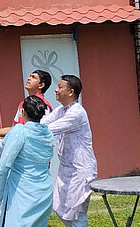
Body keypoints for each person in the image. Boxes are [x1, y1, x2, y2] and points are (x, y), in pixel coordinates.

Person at [0, 96, 54, 227]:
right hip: (44, 188)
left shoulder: (20, 131)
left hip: (21, 188)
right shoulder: (48, 133)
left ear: (23, 112)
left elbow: (2, 151)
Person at [41, 75, 97, 227]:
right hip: (66, 169)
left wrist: (25, 131)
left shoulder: (77, 113)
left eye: (60, 87)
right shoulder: (61, 110)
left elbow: (47, 129)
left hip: (80, 170)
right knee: (61, 208)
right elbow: (42, 123)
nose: (55, 90)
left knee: (76, 213)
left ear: (71, 92)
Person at [0, 70, 52, 137]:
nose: (28, 78)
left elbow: (43, 130)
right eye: (30, 76)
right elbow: (14, 129)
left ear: (41, 85)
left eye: (33, 77)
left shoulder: (43, 105)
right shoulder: (22, 104)